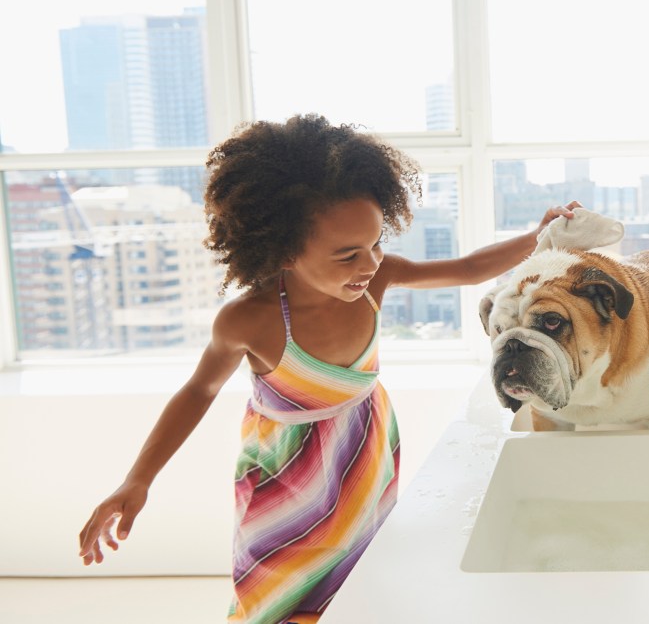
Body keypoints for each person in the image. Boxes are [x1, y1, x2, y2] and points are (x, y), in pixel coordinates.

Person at [78, 113, 579, 623]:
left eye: (376, 243)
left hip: (364, 460)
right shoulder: (250, 319)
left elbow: (469, 269)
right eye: (346, 256)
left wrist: (538, 236)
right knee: (275, 594)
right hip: (284, 480)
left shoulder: (377, 280)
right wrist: (136, 480)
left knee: (361, 584)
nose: (369, 264)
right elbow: (197, 391)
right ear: (285, 250)